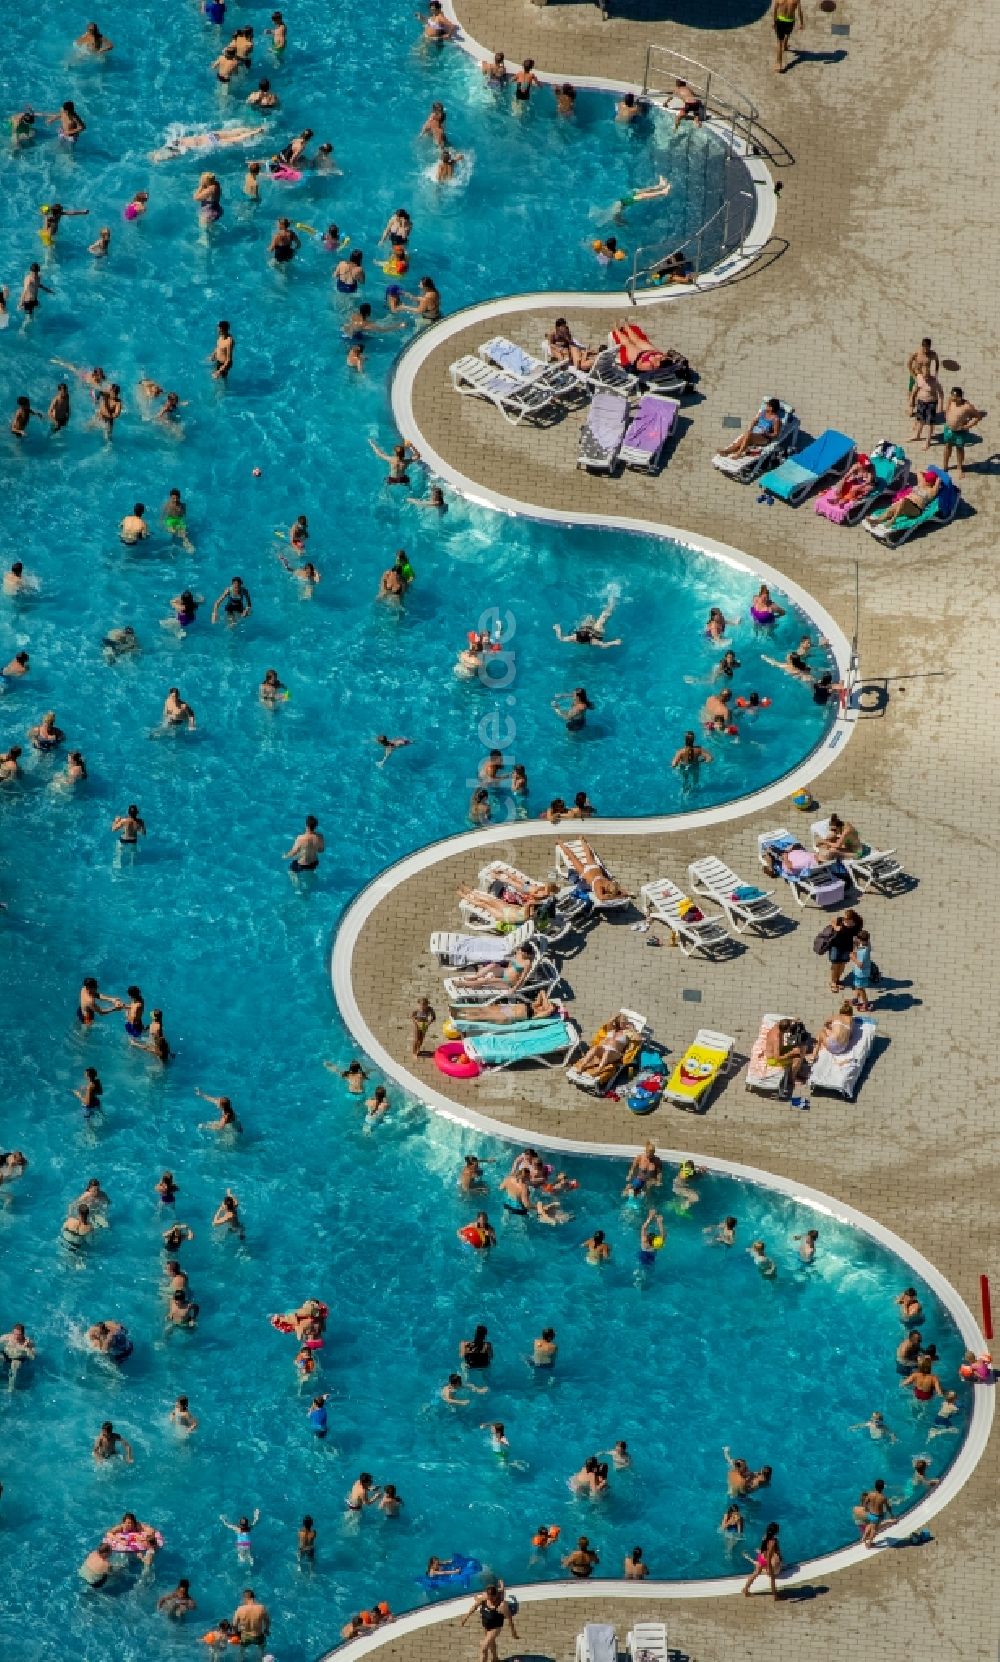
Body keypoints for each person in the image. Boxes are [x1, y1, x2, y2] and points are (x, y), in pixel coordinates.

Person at [461, 1585, 519, 1662]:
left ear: (496, 1596)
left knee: (483, 1648)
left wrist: (513, 1633)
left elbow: (509, 1619)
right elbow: (474, 1607)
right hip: (486, 1626)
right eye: (489, 1598)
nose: (491, 1600)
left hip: (495, 1627)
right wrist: (466, 1617)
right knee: (491, 1642)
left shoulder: (502, 1605)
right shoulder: (484, 1598)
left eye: (492, 1598)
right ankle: (495, 1659)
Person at [869, 470, 941, 528]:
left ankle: (893, 519)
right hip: (905, 503)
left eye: (928, 481)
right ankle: (877, 521)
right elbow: (919, 472)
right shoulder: (921, 482)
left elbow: (939, 480)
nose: (926, 481)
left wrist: (937, 476)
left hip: (916, 509)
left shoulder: (931, 491)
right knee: (891, 508)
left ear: (932, 482)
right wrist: (928, 472)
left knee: (904, 501)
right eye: (926, 479)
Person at [940, 387, 986, 478]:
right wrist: (947, 416)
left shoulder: (967, 406)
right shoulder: (951, 400)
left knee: (959, 449)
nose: (952, 398)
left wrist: (968, 426)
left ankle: (959, 467)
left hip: (960, 432)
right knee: (947, 446)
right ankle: (945, 466)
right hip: (948, 429)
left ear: (959, 397)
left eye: (954, 397)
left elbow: (977, 416)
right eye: (951, 396)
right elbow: (948, 406)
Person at [827, 910, 863, 993]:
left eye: (847, 920)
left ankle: (838, 980)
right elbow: (832, 921)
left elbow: (857, 937)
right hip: (836, 945)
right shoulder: (840, 920)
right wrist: (835, 927)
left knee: (842, 964)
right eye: (844, 919)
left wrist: (855, 949)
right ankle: (833, 983)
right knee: (835, 964)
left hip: (847, 947)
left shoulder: (857, 924)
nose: (845, 921)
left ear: (852, 919)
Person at [743, 1522, 782, 1596]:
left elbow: (762, 1549)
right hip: (768, 1561)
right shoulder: (774, 1542)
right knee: (772, 1579)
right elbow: (771, 1555)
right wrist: (769, 1567)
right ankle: (775, 1596)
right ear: (776, 1532)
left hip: (761, 1558)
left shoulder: (765, 1537)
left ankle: (745, 1589)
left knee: (754, 1574)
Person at [909, 364, 943, 447]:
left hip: (931, 404)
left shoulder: (934, 381)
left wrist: (940, 406)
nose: (925, 377)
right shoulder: (919, 378)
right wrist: (911, 400)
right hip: (921, 402)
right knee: (920, 420)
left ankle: (928, 441)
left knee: (929, 423)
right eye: (924, 375)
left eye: (927, 375)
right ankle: (917, 435)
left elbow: (941, 393)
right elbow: (914, 390)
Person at [772, 0, 803, 72]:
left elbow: (775, 10)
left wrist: (774, 22)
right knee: (787, 33)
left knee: (779, 42)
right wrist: (801, 23)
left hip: (780, 21)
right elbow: (799, 12)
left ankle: (778, 63)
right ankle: (785, 45)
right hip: (790, 21)